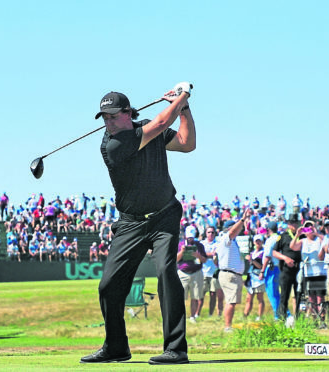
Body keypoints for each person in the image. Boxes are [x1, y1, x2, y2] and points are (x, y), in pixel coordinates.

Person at [81, 82, 195, 365]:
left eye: (113, 116)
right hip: (130, 223)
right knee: (108, 285)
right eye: (104, 117)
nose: (108, 122)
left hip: (164, 215)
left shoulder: (145, 129)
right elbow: (160, 121)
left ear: (128, 113)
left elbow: (186, 143)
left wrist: (185, 109)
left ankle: (176, 350)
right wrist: (183, 95)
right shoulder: (114, 144)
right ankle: (116, 347)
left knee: (166, 272)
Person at [216, 208, 252, 333]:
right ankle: (227, 327)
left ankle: (228, 325)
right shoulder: (226, 238)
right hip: (229, 274)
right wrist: (242, 219)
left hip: (232, 274)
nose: (240, 231)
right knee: (231, 301)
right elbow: (232, 231)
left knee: (232, 301)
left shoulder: (231, 242)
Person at [291, 221, 327, 323]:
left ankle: (322, 320)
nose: (309, 230)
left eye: (310, 228)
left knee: (320, 298)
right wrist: (297, 235)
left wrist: (316, 233)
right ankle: (315, 319)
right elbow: (293, 247)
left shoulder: (319, 240)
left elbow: (327, 241)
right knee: (311, 298)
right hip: (308, 272)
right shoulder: (303, 241)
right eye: (306, 229)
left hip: (319, 272)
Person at [276, 213, 302, 321]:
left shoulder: (302, 236)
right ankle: (282, 317)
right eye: (291, 223)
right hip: (286, 269)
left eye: (295, 223)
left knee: (299, 294)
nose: (294, 225)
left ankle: (298, 317)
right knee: (284, 295)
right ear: (288, 224)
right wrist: (284, 258)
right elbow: (274, 252)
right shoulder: (282, 236)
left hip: (299, 268)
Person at [176, 233, 207, 323]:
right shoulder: (180, 244)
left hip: (196, 272)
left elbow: (204, 260)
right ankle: (180, 317)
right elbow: (176, 259)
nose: (190, 240)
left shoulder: (199, 245)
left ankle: (192, 316)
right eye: (189, 238)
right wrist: (182, 251)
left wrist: (198, 255)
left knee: (195, 296)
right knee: (180, 297)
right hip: (183, 273)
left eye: (192, 238)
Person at [198, 226, 224, 317]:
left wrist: (205, 255)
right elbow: (200, 255)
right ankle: (197, 314)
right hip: (203, 272)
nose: (211, 234)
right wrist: (210, 255)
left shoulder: (218, 244)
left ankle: (210, 314)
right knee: (200, 295)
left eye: (212, 232)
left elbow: (217, 255)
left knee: (213, 295)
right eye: (209, 232)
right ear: (206, 233)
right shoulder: (201, 244)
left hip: (214, 273)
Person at [259, 221, 281, 320]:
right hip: (280, 267)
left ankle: (279, 315)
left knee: (272, 293)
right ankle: (282, 313)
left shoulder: (270, 240)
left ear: (268, 230)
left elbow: (267, 256)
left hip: (272, 268)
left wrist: (262, 271)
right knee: (277, 292)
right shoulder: (280, 238)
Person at [243, 234, 266, 321]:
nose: (258, 243)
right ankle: (245, 315)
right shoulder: (252, 253)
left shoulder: (263, 253)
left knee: (260, 297)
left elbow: (261, 266)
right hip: (251, 277)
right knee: (249, 298)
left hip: (258, 277)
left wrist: (252, 260)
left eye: (259, 241)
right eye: (256, 241)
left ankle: (260, 316)